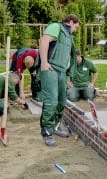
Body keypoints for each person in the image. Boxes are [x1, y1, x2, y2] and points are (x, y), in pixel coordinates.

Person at [39, 14, 80, 147]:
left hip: (62, 73)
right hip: (51, 69)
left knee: (61, 102)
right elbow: (44, 41)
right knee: (51, 101)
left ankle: (55, 127)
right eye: (76, 27)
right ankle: (47, 133)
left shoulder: (69, 38)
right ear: (72, 22)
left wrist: (68, 76)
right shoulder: (56, 27)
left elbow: (70, 59)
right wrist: (44, 63)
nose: (76, 30)